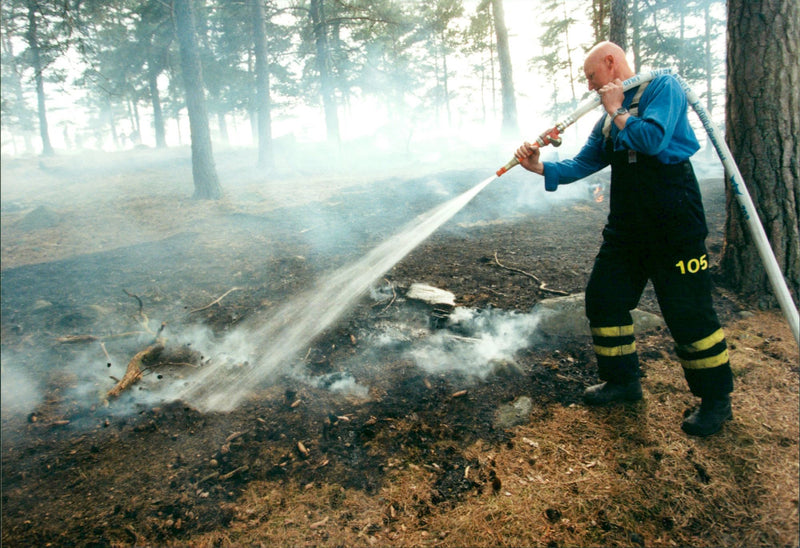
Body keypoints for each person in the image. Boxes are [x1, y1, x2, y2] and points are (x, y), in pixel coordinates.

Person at [515, 41, 733, 437]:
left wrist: (617, 109)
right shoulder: (605, 120)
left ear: (610, 63)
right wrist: (538, 166)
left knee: (690, 314)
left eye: (591, 76)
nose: (588, 85)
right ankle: (622, 382)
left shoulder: (662, 86)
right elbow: (583, 163)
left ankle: (716, 400)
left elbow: (652, 140)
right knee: (604, 299)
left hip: (675, 225)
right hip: (627, 228)